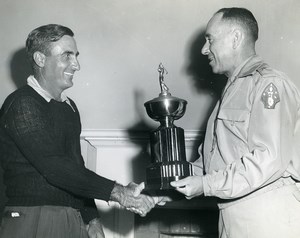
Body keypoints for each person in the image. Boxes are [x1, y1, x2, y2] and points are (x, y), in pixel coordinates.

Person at [0, 24, 155, 238]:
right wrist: (119, 192)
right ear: (40, 59)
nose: (76, 65)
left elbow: (76, 167)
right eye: (67, 55)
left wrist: (91, 219)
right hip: (34, 219)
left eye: (76, 56)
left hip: (71, 218)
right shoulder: (22, 104)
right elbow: (55, 167)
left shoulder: (69, 106)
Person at [170, 7, 300, 238]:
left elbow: (268, 158)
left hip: (266, 215)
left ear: (236, 38)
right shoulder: (230, 93)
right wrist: (167, 185)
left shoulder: (269, 85)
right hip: (233, 216)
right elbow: (210, 166)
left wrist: (206, 185)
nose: (203, 49)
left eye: (210, 39)